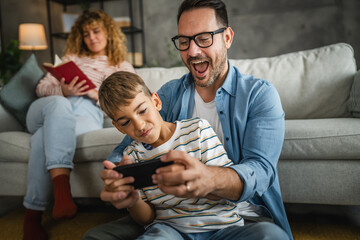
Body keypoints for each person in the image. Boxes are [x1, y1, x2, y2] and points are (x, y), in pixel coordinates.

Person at [84, 0, 293, 239]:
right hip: (170, 218)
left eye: (204, 38)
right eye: (184, 42)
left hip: (234, 218)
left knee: (271, 237)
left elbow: (261, 171)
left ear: (227, 37)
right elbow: (127, 149)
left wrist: (209, 179)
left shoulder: (259, 95)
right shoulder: (169, 93)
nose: (192, 52)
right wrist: (117, 181)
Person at [98, 71, 259, 239]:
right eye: (126, 122)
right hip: (171, 231)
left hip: (223, 227)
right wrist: (133, 202)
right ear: (118, 127)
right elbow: (147, 218)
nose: (139, 125)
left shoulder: (198, 130)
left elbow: (228, 189)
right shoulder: (132, 155)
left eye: (142, 110)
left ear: (156, 102)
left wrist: (199, 183)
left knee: (269, 234)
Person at [23, 9, 135, 240]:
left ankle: (31, 218)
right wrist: (63, 90)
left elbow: (128, 101)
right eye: (86, 34)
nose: (91, 37)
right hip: (48, 108)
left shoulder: (120, 65)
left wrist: (97, 95)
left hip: (87, 113)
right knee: (58, 106)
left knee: (41, 138)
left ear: (108, 33)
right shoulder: (71, 59)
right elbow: (41, 89)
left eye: (96, 31)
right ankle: (63, 190)